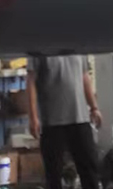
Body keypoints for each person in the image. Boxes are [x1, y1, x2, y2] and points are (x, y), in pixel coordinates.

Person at [27, 55, 102, 189]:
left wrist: (94, 107)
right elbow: (31, 81)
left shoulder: (78, 47)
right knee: (54, 174)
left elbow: (84, 76)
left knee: (90, 169)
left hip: (80, 118)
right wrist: (33, 117)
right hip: (52, 121)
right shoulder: (39, 47)